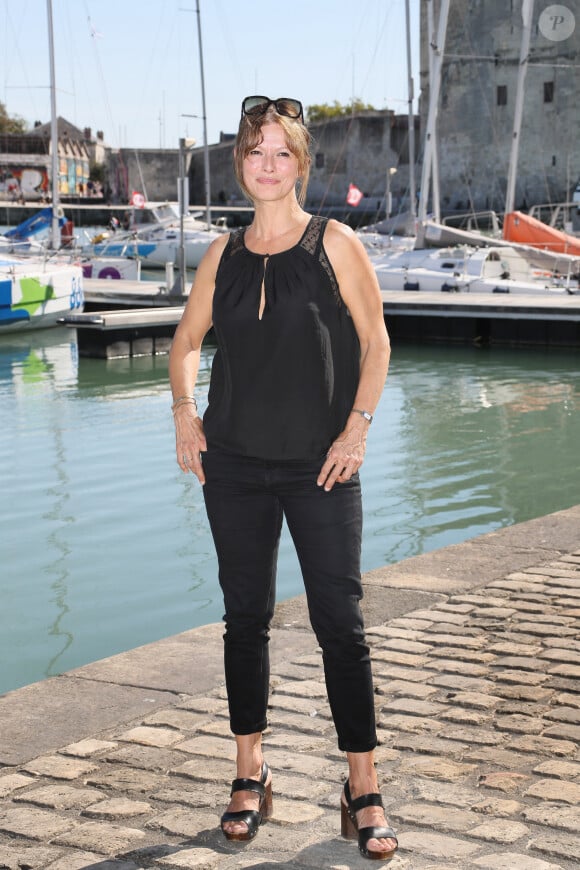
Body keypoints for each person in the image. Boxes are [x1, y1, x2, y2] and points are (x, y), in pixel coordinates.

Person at [169, 95, 397, 862]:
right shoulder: (221, 256)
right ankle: (249, 774)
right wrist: (182, 411)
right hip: (231, 463)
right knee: (245, 620)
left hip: (319, 465)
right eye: (255, 152)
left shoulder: (334, 243)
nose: (267, 165)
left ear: (300, 163)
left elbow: (377, 343)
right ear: (241, 163)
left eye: (281, 152)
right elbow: (185, 343)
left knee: (341, 622)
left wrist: (357, 428)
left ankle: (361, 786)